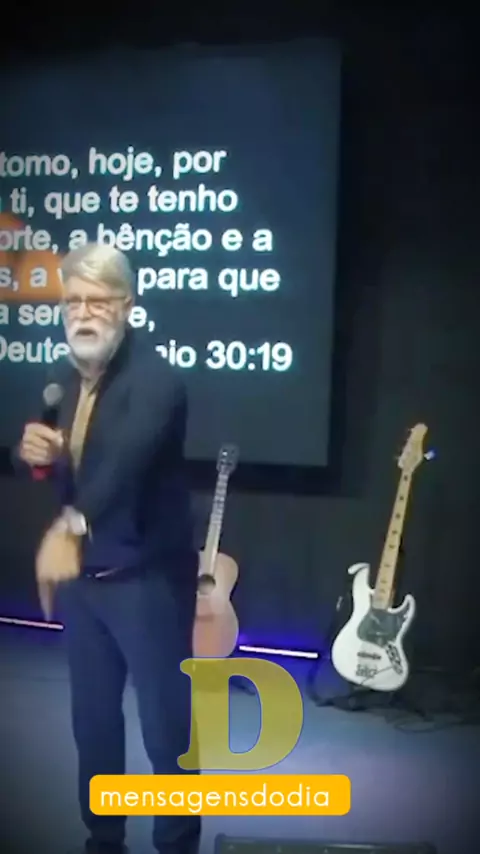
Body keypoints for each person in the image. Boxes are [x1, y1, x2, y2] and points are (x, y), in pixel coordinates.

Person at [16, 243, 201, 854]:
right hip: (86, 586)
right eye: (73, 301)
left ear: (126, 305)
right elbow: (56, 466)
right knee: (93, 725)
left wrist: (68, 527)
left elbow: (123, 466)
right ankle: (103, 839)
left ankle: (176, 845)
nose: (83, 314)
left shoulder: (157, 382)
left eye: (98, 301)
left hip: (147, 582)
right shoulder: (63, 380)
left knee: (166, 731)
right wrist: (36, 457)